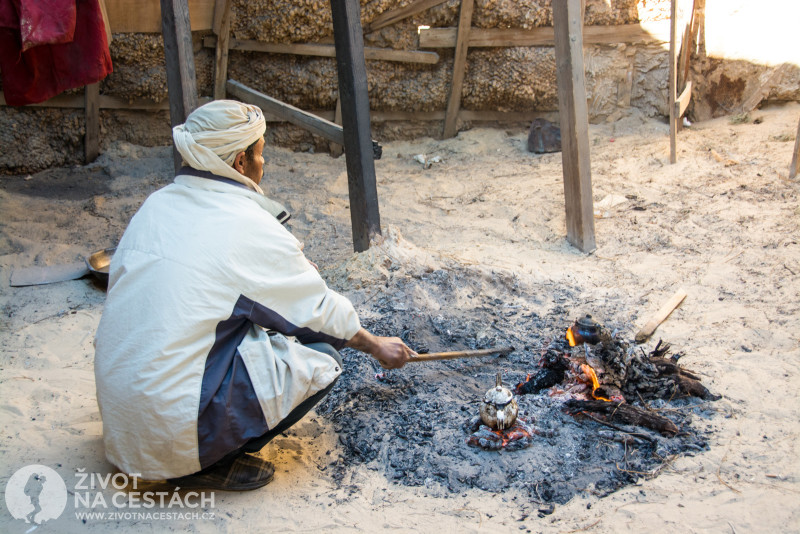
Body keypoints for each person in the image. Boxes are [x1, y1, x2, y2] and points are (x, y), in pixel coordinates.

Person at [94, 100, 414, 491]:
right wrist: (376, 344)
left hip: (122, 421)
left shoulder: (157, 204)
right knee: (323, 358)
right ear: (241, 161)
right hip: (169, 432)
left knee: (258, 323)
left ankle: (177, 444)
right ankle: (204, 464)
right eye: (261, 154)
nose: (264, 165)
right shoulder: (243, 222)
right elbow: (319, 312)